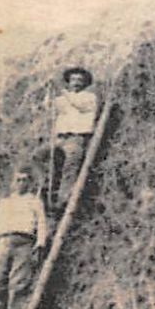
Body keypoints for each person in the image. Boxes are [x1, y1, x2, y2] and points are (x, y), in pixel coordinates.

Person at [0, 167, 47, 309]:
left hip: (25, 241)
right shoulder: (6, 202)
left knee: (19, 279)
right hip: (4, 241)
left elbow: (41, 222)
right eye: (18, 180)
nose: (21, 183)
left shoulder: (34, 201)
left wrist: (40, 243)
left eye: (24, 180)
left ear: (30, 183)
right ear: (13, 183)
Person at [52, 67, 99, 209]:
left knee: (69, 168)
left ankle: (64, 200)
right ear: (68, 82)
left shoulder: (89, 97)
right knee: (51, 165)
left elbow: (80, 105)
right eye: (73, 79)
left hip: (76, 137)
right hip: (60, 138)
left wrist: (64, 93)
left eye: (80, 80)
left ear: (85, 83)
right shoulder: (62, 99)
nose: (76, 83)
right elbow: (56, 109)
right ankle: (49, 195)